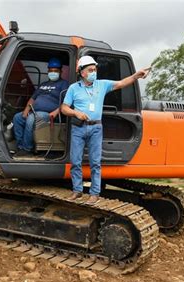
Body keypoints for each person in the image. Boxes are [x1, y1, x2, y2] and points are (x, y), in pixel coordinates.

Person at [61, 56, 150, 204]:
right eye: (90, 70)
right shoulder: (73, 88)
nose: (93, 72)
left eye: (95, 69)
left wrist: (136, 76)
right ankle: (77, 191)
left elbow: (121, 83)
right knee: (75, 161)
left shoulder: (102, 85)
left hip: (96, 128)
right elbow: (64, 108)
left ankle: (94, 193)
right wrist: (75, 113)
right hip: (78, 128)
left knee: (95, 162)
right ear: (82, 73)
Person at [13, 57, 69, 156]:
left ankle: (27, 149)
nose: (53, 72)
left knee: (32, 118)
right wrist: (26, 109)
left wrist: (55, 112)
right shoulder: (43, 84)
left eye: (55, 71)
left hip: (48, 114)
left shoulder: (64, 84)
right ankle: (20, 146)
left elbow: (66, 101)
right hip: (34, 111)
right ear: (48, 71)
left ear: (60, 71)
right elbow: (33, 98)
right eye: (51, 70)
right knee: (17, 118)